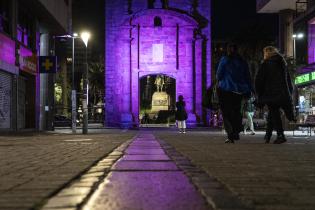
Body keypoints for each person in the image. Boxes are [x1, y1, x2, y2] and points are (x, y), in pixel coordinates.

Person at [255, 46, 295, 144]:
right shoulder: (283, 63)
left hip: (271, 94)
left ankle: (280, 135)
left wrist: (259, 93)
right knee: (272, 114)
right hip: (283, 93)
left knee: (274, 114)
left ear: (267, 53)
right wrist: (289, 92)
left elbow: (259, 80)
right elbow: (288, 80)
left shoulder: (266, 64)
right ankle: (268, 136)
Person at [216, 43, 253, 143]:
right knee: (237, 112)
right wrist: (249, 89)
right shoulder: (243, 61)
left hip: (225, 89)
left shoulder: (225, 60)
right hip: (239, 90)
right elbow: (248, 76)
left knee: (226, 113)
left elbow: (218, 75)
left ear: (228, 50)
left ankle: (230, 134)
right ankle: (236, 131)